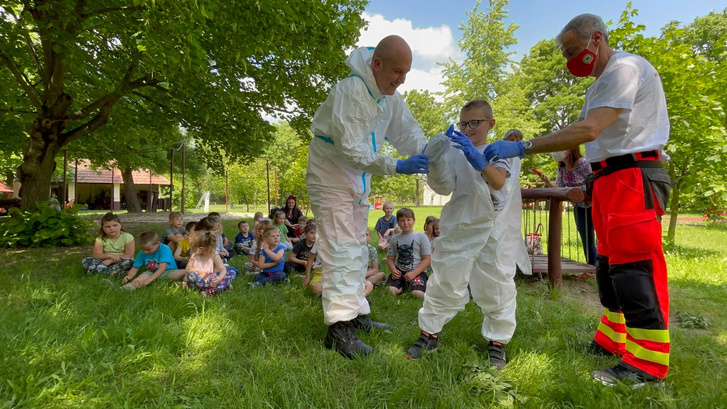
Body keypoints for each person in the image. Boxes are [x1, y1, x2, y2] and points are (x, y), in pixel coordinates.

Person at [484, 14, 671, 387]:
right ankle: (614, 339)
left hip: (632, 175)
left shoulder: (625, 69)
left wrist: (523, 146)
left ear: (596, 39)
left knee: (634, 267)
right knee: (608, 265)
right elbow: (582, 138)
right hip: (606, 177)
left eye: (573, 51)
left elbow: (587, 130)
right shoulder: (598, 85)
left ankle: (646, 364)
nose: (571, 61)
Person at [306, 34, 433, 358]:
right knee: (340, 252)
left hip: (356, 181)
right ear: (376, 64)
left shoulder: (389, 98)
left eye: (406, 73)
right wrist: (395, 165)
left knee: (357, 250)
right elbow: (350, 148)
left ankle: (357, 314)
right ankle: (338, 330)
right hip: (331, 176)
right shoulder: (349, 91)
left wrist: (435, 156)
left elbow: (408, 133)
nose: (401, 79)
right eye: (396, 71)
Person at [406, 99, 514, 372]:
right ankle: (429, 334)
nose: (468, 128)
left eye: (474, 123)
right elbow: (445, 187)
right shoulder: (456, 151)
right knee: (445, 278)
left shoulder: (500, 150)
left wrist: (479, 160)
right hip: (461, 223)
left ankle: (497, 341)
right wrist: (436, 160)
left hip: (492, 227)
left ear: (490, 123)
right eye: (464, 123)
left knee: (495, 281)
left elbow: (498, 181)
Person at [532, 147, 597, 266]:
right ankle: (591, 267)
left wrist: (576, 190)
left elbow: (594, 182)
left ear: (570, 149)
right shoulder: (562, 168)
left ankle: (601, 267)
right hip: (579, 206)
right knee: (586, 238)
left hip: (595, 204)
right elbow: (560, 187)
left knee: (600, 238)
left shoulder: (583, 163)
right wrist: (547, 181)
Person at [499, 130, 532, 277]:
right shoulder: (501, 155)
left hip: (512, 201)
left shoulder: (517, 159)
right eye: (511, 139)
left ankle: (507, 266)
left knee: (511, 229)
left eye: (517, 139)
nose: (514, 142)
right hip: (500, 199)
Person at [104, 231, 178, 291]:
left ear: (157, 243)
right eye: (143, 249)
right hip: (151, 272)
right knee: (140, 278)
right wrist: (129, 276)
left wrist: (148, 281)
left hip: (168, 271)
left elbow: (162, 269)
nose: (145, 252)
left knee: (181, 272)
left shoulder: (164, 249)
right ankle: (122, 289)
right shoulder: (142, 253)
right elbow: (135, 267)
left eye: (148, 249)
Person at [385, 208, 431, 298]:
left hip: (417, 271)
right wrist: (393, 270)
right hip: (399, 272)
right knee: (389, 292)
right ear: (398, 222)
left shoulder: (422, 237)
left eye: (408, 220)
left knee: (418, 294)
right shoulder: (394, 239)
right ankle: (403, 286)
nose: (405, 223)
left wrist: (414, 273)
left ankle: (413, 286)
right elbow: (390, 259)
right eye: (402, 220)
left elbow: (427, 259)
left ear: (414, 221)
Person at [185, 229, 236, 296]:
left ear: (201, 249)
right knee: (190, 275)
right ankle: (220, 288)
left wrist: (219, 278)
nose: (191, 249)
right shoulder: (194, 255)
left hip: (212, 280)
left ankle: (213, 289)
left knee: (232, 272)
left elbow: (223, 269)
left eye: (193, 247)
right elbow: (188, 268)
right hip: (199, 280)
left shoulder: (214, 255)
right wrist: (199, 272)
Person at [364, 229, 385, 295]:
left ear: (370, 237)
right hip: (355, 274)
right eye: (361, 235)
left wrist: (363, 275)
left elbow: (375, 269)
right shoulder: (353, 249)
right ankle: (366, 285)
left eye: (366, 235)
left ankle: (364, 284)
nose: (364, 237)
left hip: (367, 273)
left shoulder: (372, 250)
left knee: (382, 275)